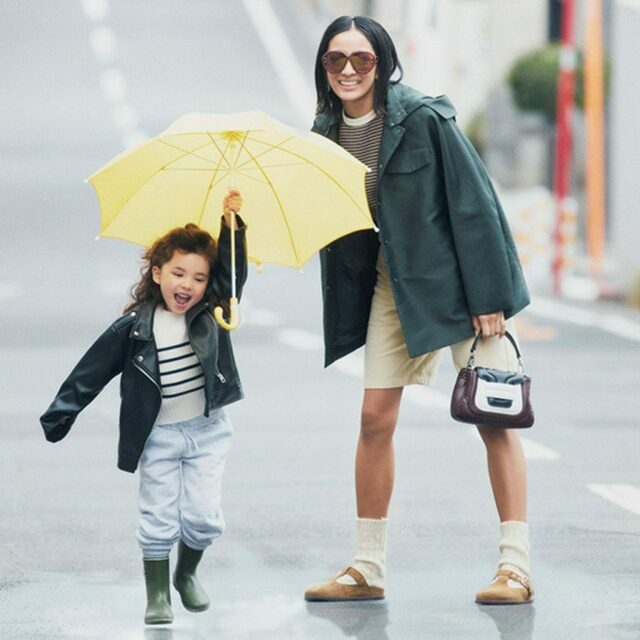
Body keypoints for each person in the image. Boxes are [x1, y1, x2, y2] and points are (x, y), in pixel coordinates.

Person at [304, 16, 533, 605]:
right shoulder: (325, 130)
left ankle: (515, 569)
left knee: (495, 414)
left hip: (460, 282)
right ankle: (367, 567)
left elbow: (475, 201)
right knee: (374, 419)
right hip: (395, 281)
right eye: (335, 60)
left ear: (382, 63)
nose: (349, 70)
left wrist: (489, 296)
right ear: (324, 68)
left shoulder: (424, 118)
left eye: (361, 59)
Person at [40, 190, 248, 624]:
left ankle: (185, 574)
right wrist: (63, 410)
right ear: (157, 273)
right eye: (177, 273)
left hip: (208, 430)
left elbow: (232, 276)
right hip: (158, 435)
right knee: (157, 516)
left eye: (198, 278)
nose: (186, 285)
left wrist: (231, 228)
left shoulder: (213, 314)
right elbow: (90, 371)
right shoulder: (133, 329)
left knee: (204, 518)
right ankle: (158, 595)